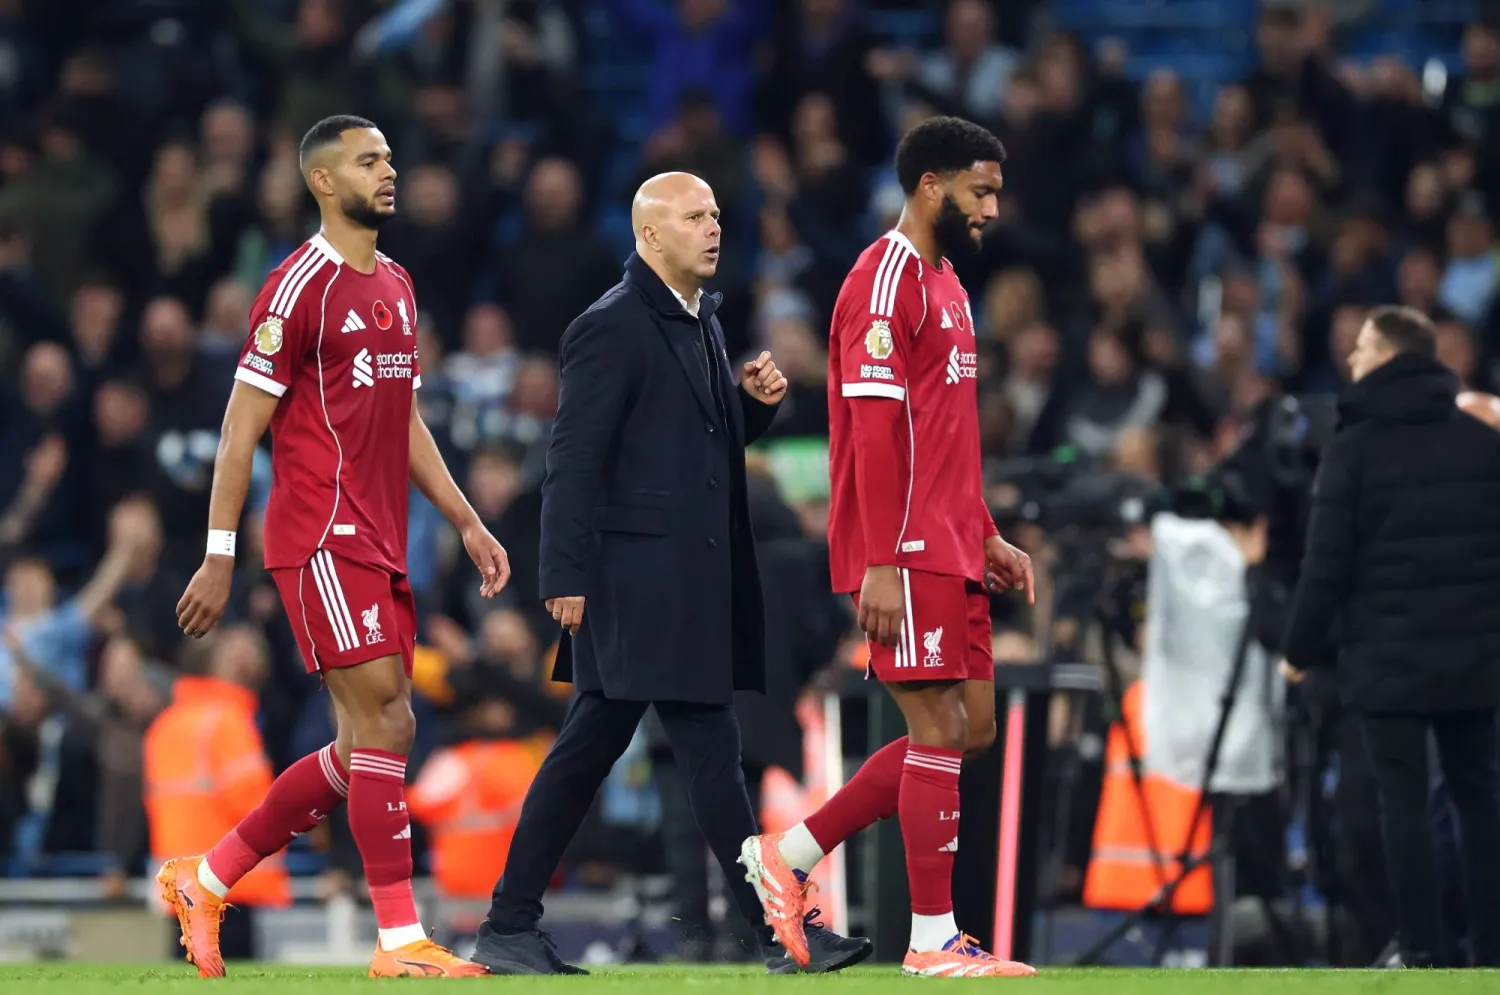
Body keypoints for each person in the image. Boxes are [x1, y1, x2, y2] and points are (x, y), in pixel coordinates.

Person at [468, 172, 870, 976]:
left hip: (681, 582)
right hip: (635, 584)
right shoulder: (610, 326)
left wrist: (748, 411)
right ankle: (777, 933)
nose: (713, 228)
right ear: (650, 236)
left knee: (605, 749)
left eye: (717, 214)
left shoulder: (699, 323)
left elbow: (689, 452)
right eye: (693, 217)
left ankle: (510, 923)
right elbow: (573, 457)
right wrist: (561, 572)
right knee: (702, 752)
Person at [159, 115, 510, 979]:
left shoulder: (395, 281)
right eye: (368, 161)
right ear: (323, 181)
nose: (388, 172)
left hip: (381, 535)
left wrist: (465, 518)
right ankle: (399, 942)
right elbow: (240, 432)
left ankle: (206, 878)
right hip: (318, 531)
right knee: (388, 714)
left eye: (390, 157)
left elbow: (405, 417)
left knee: (369, 745)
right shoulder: (295, 288)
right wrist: (218, 551)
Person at [736, 116, 1037, 979]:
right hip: (903, 547)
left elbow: (948, 433)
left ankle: (790, 853)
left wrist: (985, 531)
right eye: (980, 191)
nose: (990, 210)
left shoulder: (950, 285)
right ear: (932, 184)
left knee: (970, 728)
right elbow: (872, 434)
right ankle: (933, 937)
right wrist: (881, 558)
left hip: (950, 538)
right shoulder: (883, 281)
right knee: (936, 726)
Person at [1280, 305, 1500, 967]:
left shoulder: (1351, 449)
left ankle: (1424, 948)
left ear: (1390, 355)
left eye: (1363, 346)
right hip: (1476, 658)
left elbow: (1325, 567)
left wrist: (1298, 649)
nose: (1350, 358)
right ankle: (1491, 951)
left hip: (1388, 660)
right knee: (1480, 801)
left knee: (1400, 805)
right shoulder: (1483, 443)